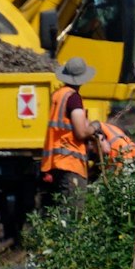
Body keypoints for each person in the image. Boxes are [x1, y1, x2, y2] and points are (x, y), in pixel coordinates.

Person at [41, 57, 96, 194]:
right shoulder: (73, 98)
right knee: (74, 211)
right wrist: (95, 127)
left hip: (55, 163)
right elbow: (81, 133)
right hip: (70, 163)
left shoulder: (58, 95)